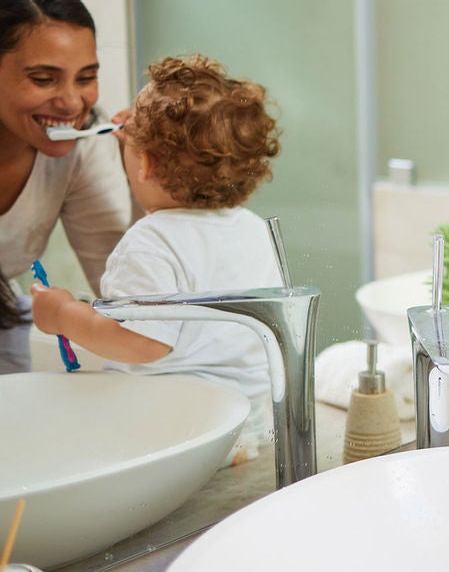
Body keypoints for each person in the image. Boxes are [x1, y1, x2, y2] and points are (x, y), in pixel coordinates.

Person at [31, 54, 285, 465]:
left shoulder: (150, 241)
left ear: (145, 163)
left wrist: (64, 315)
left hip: (178, 424)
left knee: (56, 433)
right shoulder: (252, 229)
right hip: (249, 417)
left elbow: (144, 342)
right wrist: (137, 147)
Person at [0, 0, 132, 373]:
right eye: (44, 79)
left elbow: (129, 298)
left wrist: (152, 177)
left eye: (87, 77)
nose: (74, 103)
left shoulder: (84, 144)